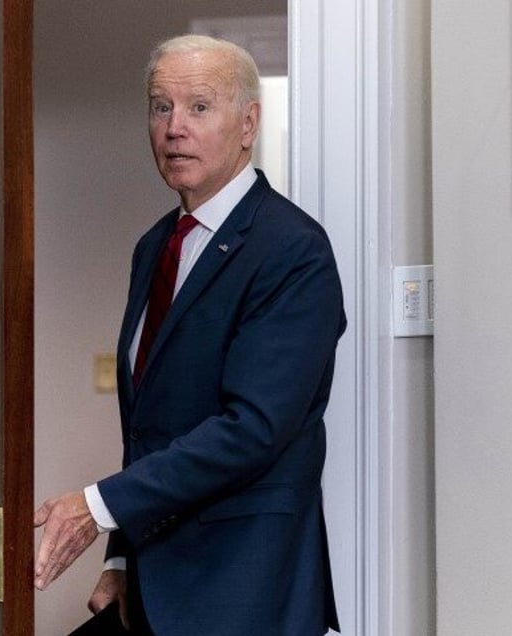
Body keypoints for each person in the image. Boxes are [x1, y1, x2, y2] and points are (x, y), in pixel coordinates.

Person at [34, 34, 345, 635]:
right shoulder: (155, 246)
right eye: (160, 107)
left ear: (248, 123)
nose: (175, 128)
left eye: (199, 107)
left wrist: (97, 507)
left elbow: (253, 428)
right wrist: (122, 556)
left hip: (242, 588)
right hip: (153, 585)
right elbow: (151, 429)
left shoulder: (292, 250)